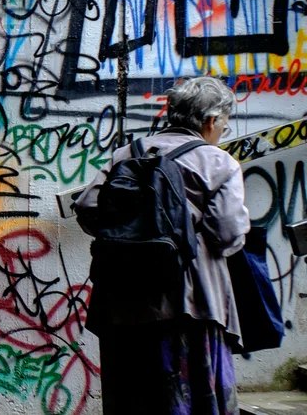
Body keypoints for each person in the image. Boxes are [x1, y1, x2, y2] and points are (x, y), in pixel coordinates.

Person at [75, 76, 250, 414]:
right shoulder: (219, 163)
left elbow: (86, 207)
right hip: (190, 303)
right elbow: (227, 232)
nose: (221, 132)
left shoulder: (127, 153)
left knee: (131, 397)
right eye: (223, 125)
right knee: (189, 397)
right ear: (211, 120)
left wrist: (129, 235)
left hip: (121, 301)